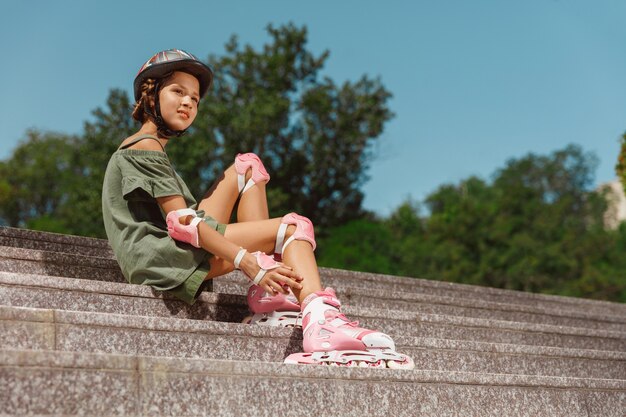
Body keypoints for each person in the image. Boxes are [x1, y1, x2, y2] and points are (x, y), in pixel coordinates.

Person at [101, 49, 413, 369]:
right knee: (293, 227)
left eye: (195, 99)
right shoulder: (144, 146)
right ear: (149, 93)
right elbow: (183, 222)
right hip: (161, 258)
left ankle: (271, 299)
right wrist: (249, 263)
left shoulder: (143, 148)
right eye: (177, 91)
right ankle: (323, 326)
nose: (188, 103)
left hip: (163, 253)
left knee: (248, 166)